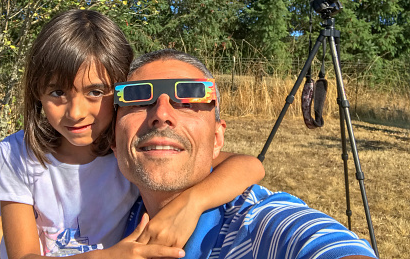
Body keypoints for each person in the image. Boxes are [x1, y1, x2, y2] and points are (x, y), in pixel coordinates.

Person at [0, 10, 265, 259]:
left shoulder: (130, 149)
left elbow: (248, 166)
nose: (76, 112)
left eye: (95, 92)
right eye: (57, 92)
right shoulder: (16, 152)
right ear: (37, 93)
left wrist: (192, 203)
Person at [112, 48, 378, 259]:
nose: (161, 115)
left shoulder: (253, 225)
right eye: (138, 99)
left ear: (217, 139)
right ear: (111, 139)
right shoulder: (111, 205)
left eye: (185, 102)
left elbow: (315, 241)